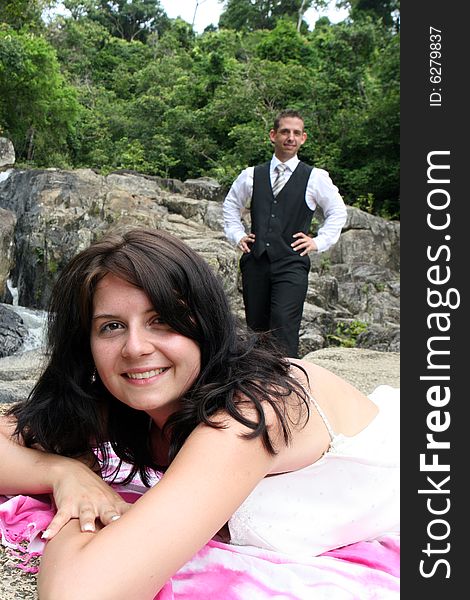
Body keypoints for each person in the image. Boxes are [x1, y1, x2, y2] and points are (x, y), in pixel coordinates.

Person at [0, 228, 399, 600]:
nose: (135, 347)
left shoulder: (252, 409)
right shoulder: (125, 404)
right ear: (85, 344)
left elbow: (81, 592)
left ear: (204, 322)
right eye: (111, 326)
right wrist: (67, 474)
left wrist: (78, 510)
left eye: (161, 320)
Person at [223, 109, 347, 358]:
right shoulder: (251, 175)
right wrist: (237, 236)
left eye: (296, 133)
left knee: (283, 325)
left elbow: (337, 212)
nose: (290, 137)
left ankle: (284, 387)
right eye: (285, 132)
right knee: (256, 327)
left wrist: (317, 242)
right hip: (256, 262)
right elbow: (230, 206)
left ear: (303, 139)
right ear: (273, 135)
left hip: (291, 264)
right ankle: (256, 382)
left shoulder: (315, 178)